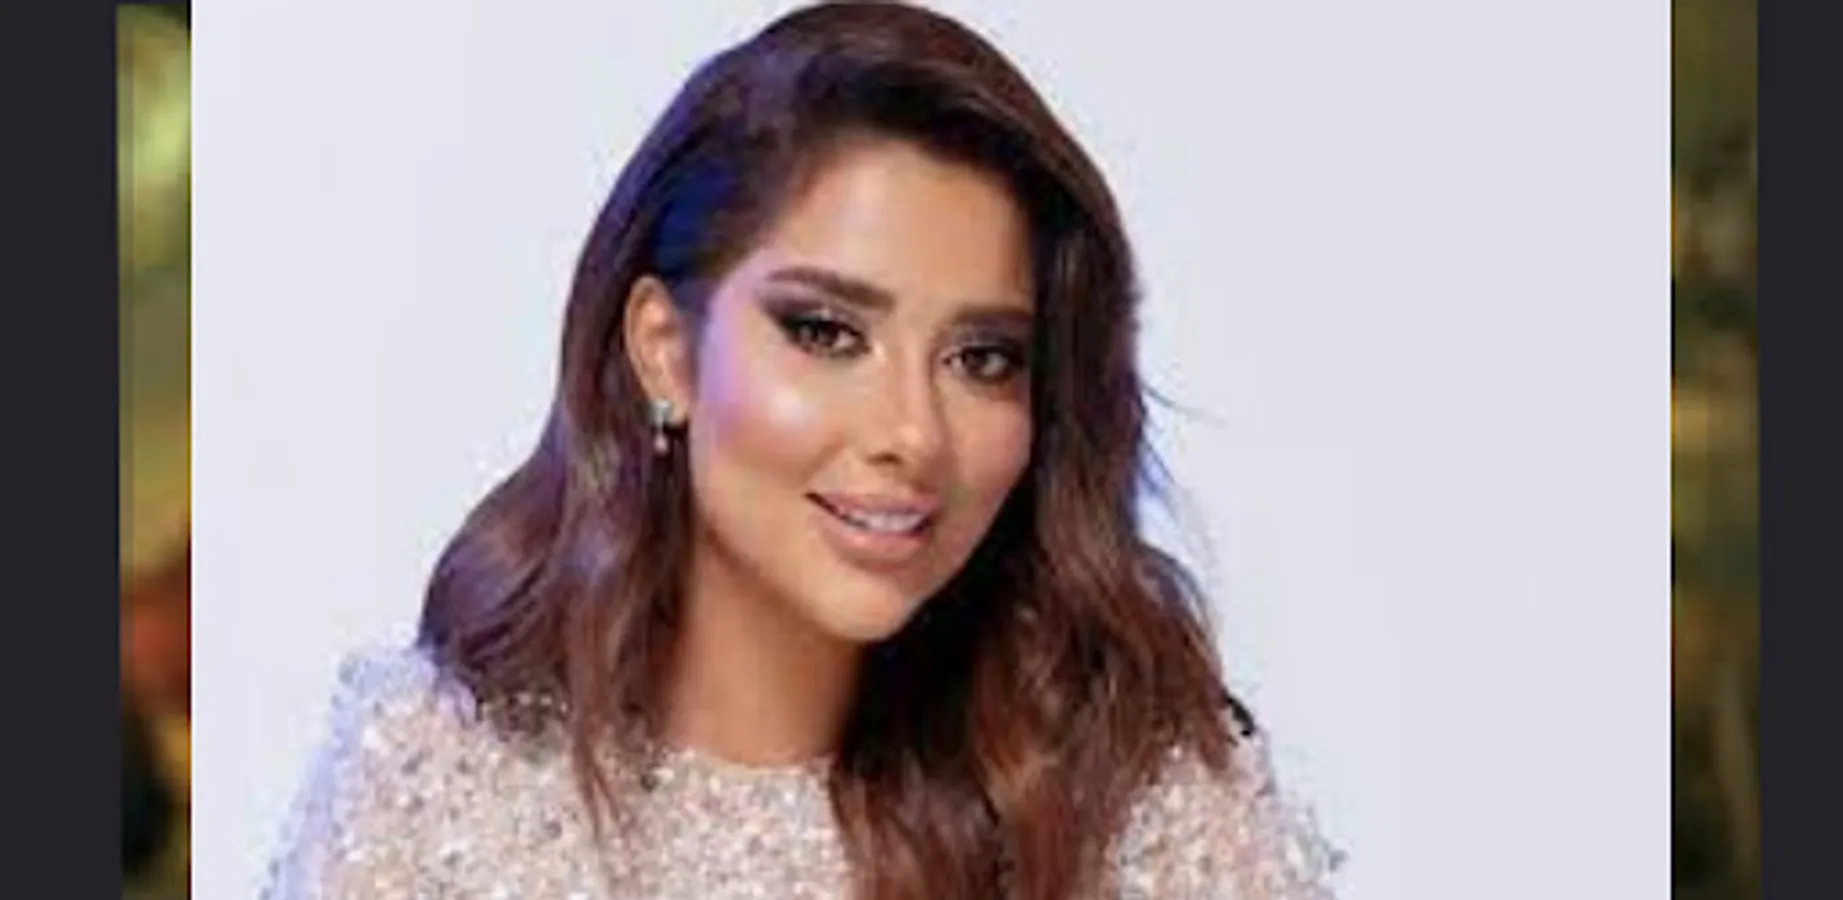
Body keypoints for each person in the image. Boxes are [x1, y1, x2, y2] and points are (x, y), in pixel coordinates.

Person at [262, 3, 1340, 897]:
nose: (911, 433)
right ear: (665, 351)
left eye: (982, 358)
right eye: (827, 333)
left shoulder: (1141, 807)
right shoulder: (435, 778)